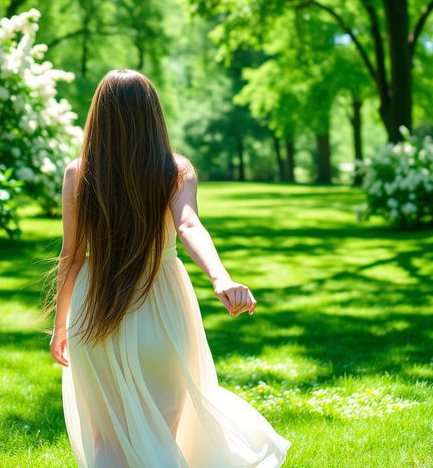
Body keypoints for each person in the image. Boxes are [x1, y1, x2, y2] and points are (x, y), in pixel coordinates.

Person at [48, 69, 291, 467]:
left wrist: (61, 326)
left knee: (108, 438)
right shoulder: (175, 170)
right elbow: (189, 224)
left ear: (99, 115)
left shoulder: (79, 173)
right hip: (159, 309)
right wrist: (221, 278)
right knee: (165, 429)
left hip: (93, 313)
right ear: (152, 116)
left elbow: (71, 256)